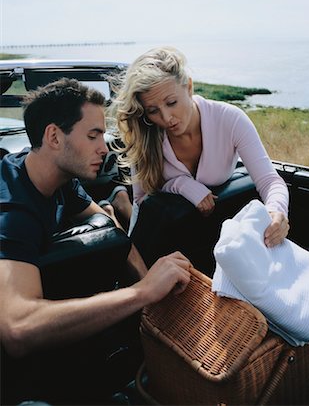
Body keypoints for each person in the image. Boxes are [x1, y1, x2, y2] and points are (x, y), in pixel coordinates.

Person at [0, 78, 191, 403]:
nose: (105, 148)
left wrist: (157, 306)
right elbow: (17, 330)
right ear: (54, 137)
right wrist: (140, 293)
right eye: (93, 136)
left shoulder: (60, 180)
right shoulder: (12, 210)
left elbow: (110, 232)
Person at [112, 46, 290, 248]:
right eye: (153, 111)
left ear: (189, 87)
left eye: (171, 102)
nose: (166, 118)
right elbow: (143, 202)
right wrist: (181, 185)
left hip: (214, 236)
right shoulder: (145, 134)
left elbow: (269, 180)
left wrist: (277, 210)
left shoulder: (230, 119)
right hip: (164, 240)